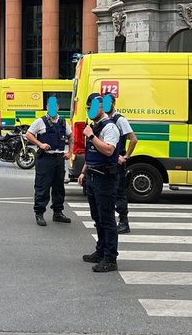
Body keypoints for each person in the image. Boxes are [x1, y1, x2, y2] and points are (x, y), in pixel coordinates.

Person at [77, 93, 122, 273]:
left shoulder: (109, 127)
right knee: (97, 218)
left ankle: (110, 258)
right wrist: (83, 172)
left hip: (105, 178)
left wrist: (91, 136)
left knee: (107, 219)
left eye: (93, 108)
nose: (90, 111)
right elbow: (92, 153)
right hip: (93, 176)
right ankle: (101, 250)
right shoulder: (94, 126)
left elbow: (109, 150)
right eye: (88, 108)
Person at [25, 96, 72, 226]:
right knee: (42, 186)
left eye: (54, 106)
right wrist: (40, 144)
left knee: (59, 187)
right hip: (45, 158)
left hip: (59, 158)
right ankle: (39, 213)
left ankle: (58, 212)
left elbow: (70, 136)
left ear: (58, 107)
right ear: (47, 107)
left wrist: (70, 152)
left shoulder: (63, 122)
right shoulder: (40, 122)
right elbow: (29, 134)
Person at [104, 95, 139, 234]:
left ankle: (124, 222)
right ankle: (109, 221)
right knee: (107, 191)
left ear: (113, 103)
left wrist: (126, 156)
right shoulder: (105, 120)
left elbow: (134, 139)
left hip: (117, 162)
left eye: (109, 103)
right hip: (108, 160)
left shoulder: (120, 120)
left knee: (119, 192)